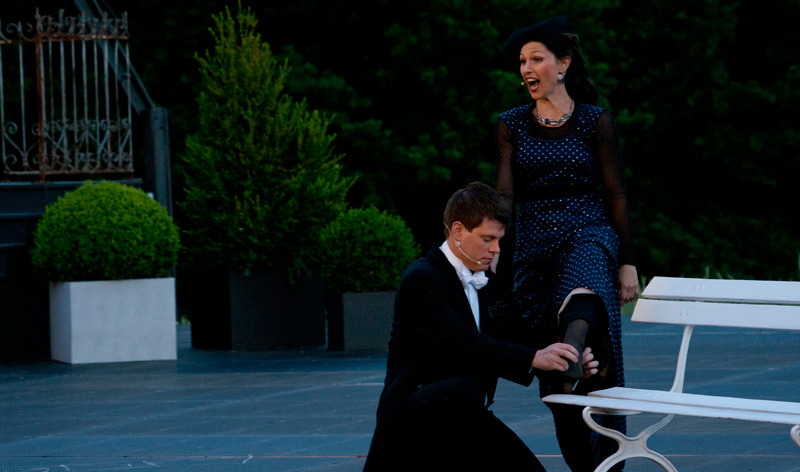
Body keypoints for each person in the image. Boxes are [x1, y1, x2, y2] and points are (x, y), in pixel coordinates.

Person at [363, 182, 599, 471]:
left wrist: (564, 363)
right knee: (464, 390)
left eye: (499, 240)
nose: (496, 249)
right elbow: (460, 342)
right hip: (415, 415)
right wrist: (534, 357)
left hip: (466, 413)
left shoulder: (491, 285)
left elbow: (517, 338)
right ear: (458, 231)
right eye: (488, 239)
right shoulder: (422, 279)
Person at [495, 16, 639, 472]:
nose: (526, 69)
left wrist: (628, 263)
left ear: (563, 65)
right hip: (535, 246)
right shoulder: (511, 124)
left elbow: (615, 194)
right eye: (522, 62)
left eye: (535, 59)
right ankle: (575, 369)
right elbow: (505, 196)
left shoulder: (596, 121)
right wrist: (495, 252)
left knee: (586, 278)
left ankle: (574, 349)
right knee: (559, 389)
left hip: (588, 228)